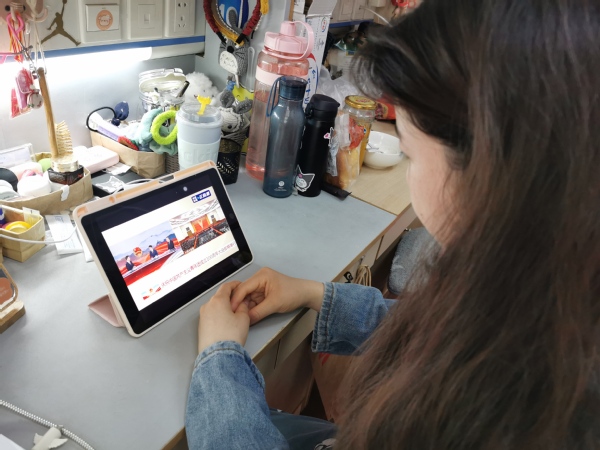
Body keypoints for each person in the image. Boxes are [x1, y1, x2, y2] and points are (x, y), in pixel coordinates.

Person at [185, 1, 600, 449]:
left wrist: (219, 360)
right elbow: (436, 333)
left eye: (412, 153)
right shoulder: (549, 302)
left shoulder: (519, 418)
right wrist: (314, 293)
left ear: (492, 174)